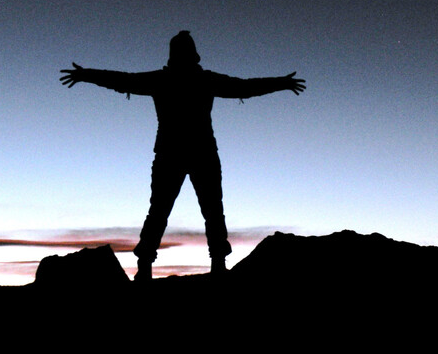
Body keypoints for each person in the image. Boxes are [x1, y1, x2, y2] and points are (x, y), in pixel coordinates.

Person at [60, 31, 305, 280]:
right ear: (193, 54)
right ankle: (209, 264)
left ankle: (150, 266)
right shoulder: (200, 80)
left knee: (167, 210)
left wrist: (86, 75)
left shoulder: (166, 79)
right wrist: (281, 83)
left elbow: (124, 81)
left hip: (177, 153)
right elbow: (244, 87)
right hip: (196, 153)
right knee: (202, 210)